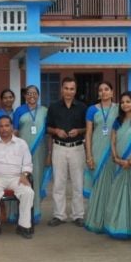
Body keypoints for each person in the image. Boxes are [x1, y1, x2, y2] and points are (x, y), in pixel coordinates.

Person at [104, 91, 131, 240]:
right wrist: (116, 158)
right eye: (122, 102)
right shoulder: (118, 121)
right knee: (119, 194)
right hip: (120, 163)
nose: (125, 104)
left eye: (128, 102)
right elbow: (113, 141)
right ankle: (119, 226)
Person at [0, 115, 34, 240]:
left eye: (7, 125)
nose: (4, 129)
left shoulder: (21, 144)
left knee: (28, 192)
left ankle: (24, 226)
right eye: (1, 126)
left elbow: (27, 163)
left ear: (12, 127)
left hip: (17, 178)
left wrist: (24, 174)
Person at [46, 77, 87, 227]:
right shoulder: (53, 107)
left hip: (77, 148)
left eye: (72, 89)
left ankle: (78, 215)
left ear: (75, 90)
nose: (69, 91)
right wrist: (56, 130)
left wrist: (79, 130)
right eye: (66, 88)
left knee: (77, 183)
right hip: (59, 147)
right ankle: (59, 215)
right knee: (59, 183)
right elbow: (48, 128)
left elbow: (88, 128)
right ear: (61, 89)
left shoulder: (83, 107)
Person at [83, 81, 118, 233]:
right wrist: (89, 155)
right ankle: (96, 220)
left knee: (112, 187)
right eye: (101, 90)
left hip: (114, 152)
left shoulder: (119, 108)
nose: (103, 92)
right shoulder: (92, 110)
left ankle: (110, 220)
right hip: (97, 151)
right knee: (98, 186)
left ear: (112, 92)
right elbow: (89, 133)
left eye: (106, 89)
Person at [13, 85, 48, 224]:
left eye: (34, 93)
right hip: (22, 152)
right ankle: (20, 213)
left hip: (40, 150)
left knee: (37, 180)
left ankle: (36, 212)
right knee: (22, 180)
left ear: (38, 96)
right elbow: (15, 131)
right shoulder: (19, 111)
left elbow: (48, 134)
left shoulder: (44, 111)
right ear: (25, 96)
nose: (31, 96)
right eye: (29, 93)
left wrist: (49, 153)